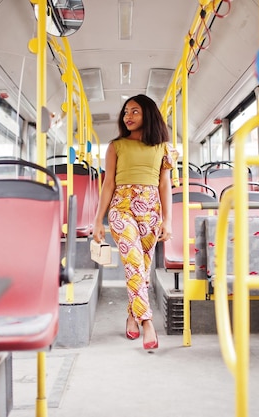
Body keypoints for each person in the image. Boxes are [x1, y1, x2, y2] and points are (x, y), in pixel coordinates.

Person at [92, 94, 178, 350]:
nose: (127, 116)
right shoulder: (116, 146)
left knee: (141, 269)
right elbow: (108, 185)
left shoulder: (164, 148)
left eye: (134, 111)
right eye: (126, 112)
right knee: (133, 262)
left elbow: (165, 186)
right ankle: (147, 321)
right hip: (122, 208)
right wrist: (99, 220)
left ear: (148, 114)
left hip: (151, 211)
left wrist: (168, 220)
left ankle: (132, 315)